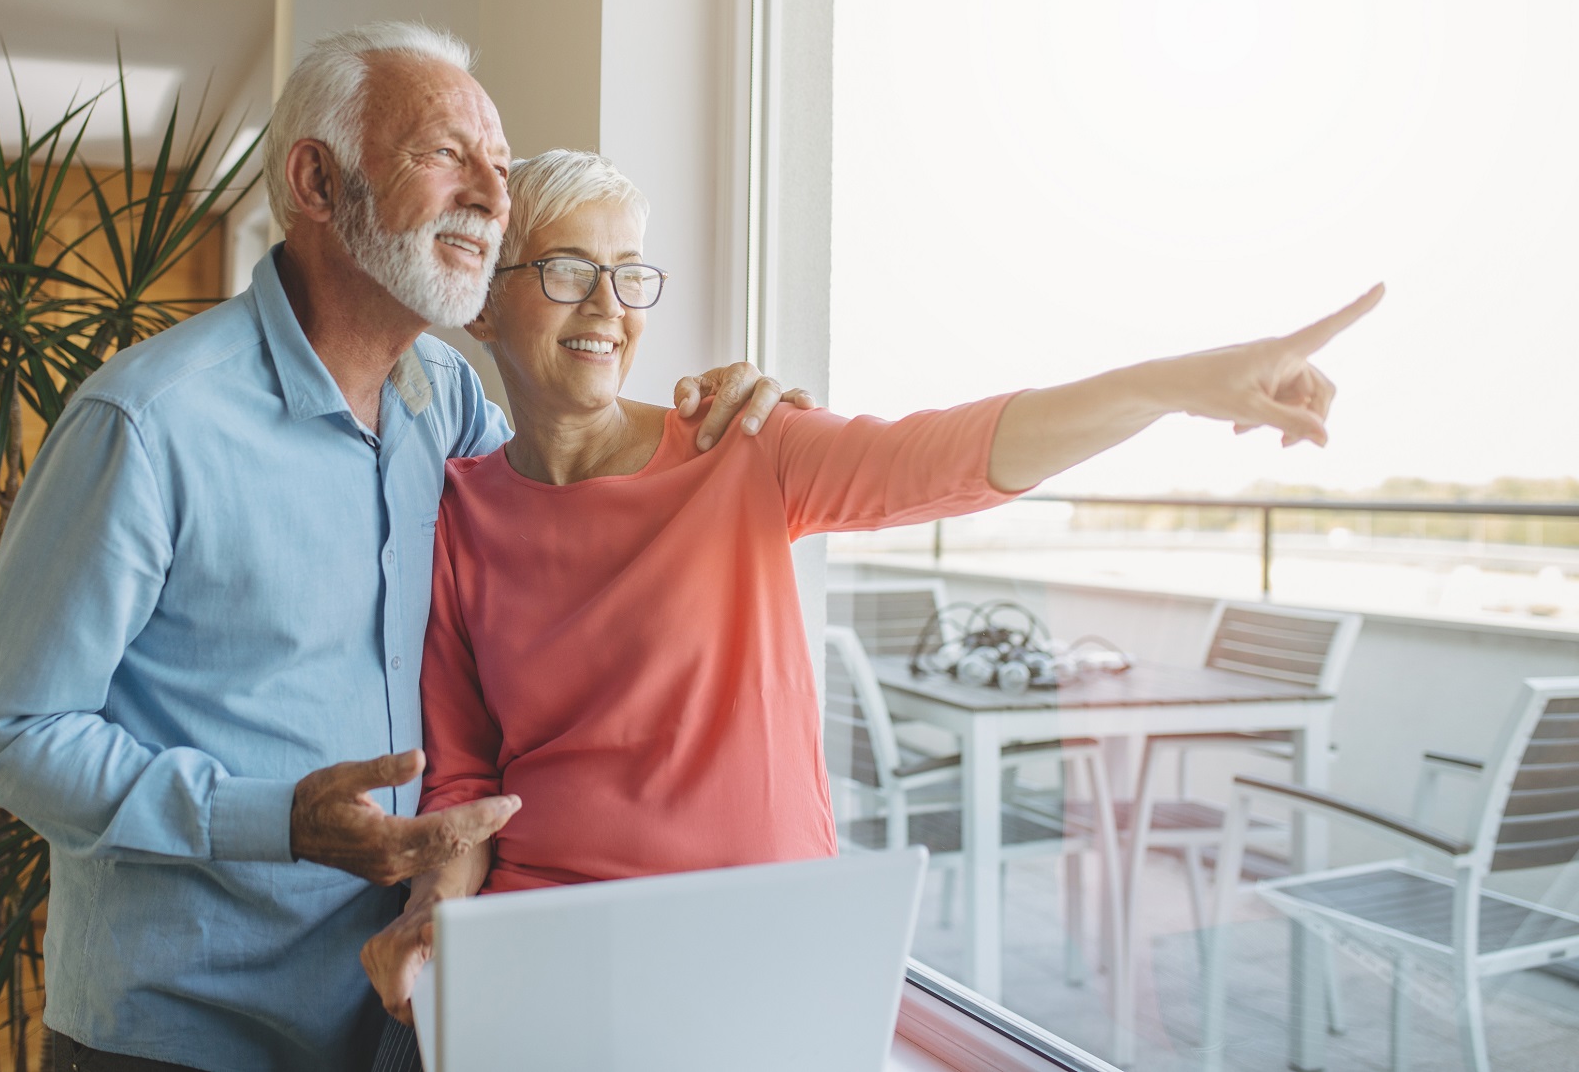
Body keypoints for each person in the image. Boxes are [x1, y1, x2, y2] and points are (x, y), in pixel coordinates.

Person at [362, 150, 1381, 1064]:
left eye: (628, 274)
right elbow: (467, 777)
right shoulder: (459, 511)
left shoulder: (738, 445)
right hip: (551, 935)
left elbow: (949, 457)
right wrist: (431, 909)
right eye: (566, 270)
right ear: (484, 302)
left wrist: (1177, 383)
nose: (606, 306)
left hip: (766, 941)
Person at [0, 27, 807, 1072]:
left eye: (498, 162)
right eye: (447, 154)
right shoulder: (150, 423)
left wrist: (717, 431)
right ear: (317, 178)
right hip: (183, 1029)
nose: (492, 193)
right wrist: (277, 821)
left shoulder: (445, 403)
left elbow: (569, 510)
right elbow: (2, 733)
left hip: (394, 1017)